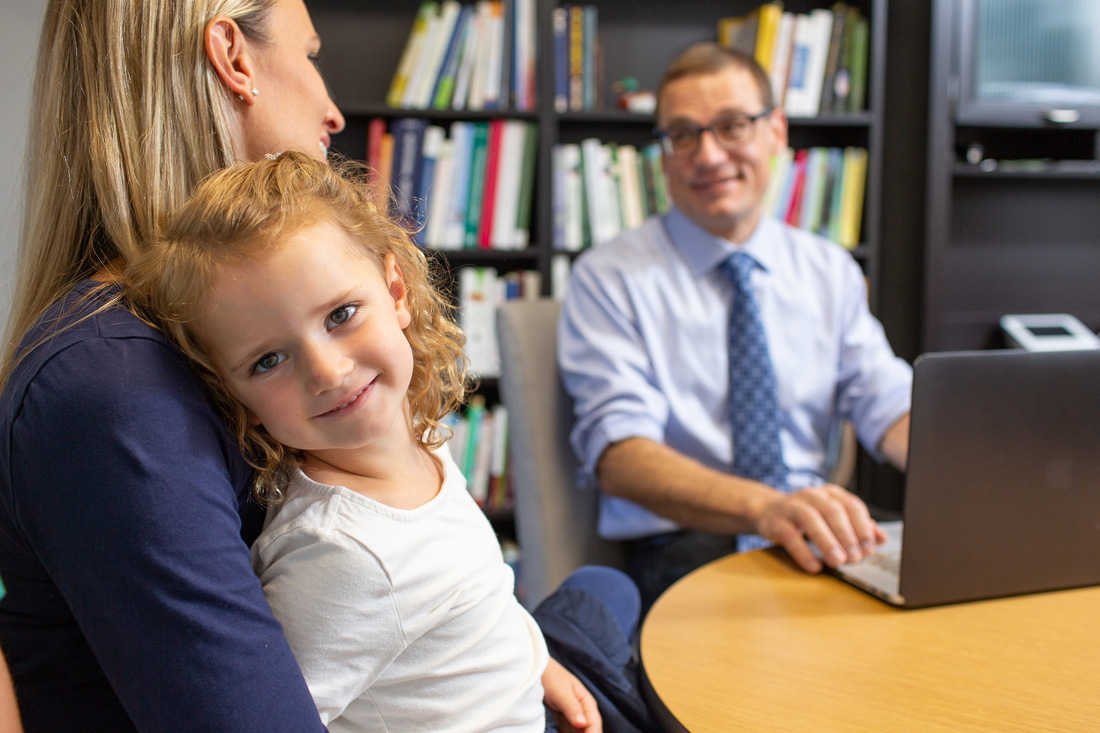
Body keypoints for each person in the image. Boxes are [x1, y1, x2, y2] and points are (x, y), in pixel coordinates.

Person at [128, 151, 659, 733]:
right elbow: (289, 715)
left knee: (605, 587)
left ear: (396, 292)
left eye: (341, 315)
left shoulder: (416, 435)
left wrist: (533, 660)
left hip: (521, 675)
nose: (327, 372)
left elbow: (468, 575)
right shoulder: (341, 555)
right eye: (269, 360)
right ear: (239, 403)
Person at [0, 0, 345, 729]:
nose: (333, 109)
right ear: (233, 56)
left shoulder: (160, 353)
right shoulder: (113, 387)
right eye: (310, 55)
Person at [558, 43, 913, 610]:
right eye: (683, 134)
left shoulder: (828, 269)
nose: (708, 155)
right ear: (663, 154)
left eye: (731, 127)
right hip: (687, 538)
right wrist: (765, 507)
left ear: (776, 131)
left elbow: (887, 401)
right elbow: (620, 456)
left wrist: (969, 471)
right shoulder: (608, 277)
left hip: (818, 531)